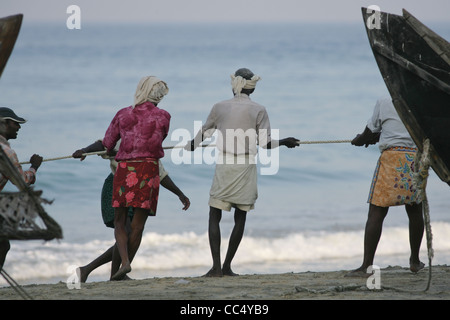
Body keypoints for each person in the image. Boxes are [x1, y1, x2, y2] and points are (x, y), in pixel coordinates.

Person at [185, 68, 300, 277]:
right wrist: (285, 142)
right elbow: (265, 144)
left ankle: (216, 268)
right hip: (246, 166)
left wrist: (191, 145)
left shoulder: (219, 107)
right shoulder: (259, 109)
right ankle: (228, 266)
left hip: (225, 164)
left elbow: (204, 133)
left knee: (214, 214)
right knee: (241, 216)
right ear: (252, 89)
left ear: (233, 86)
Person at [72, 140, 190, 282]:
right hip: (116, 187)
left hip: (136, 191)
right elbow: (102, 144)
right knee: (126, 232)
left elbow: (161, 174)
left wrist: (180, 194)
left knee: (129, 235)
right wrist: (84, 150)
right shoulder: (125, 135)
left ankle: (97, 272)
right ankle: (102, 272)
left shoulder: (150, 146)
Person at [102, 76, 171, 280]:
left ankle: (124, 262)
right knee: (138, 225)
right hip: (149, 170)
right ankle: (126, 266)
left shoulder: (123, 114)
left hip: (125, 169)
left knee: (120, 221)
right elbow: (160, 139)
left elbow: (108, 143)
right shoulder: (164, 116)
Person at [347, 98, 425, 276]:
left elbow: (369, 133)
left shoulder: (384, 102)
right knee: (414, 211)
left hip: (391, 158)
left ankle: (367, 266)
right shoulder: (418, 100)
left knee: (376, 212)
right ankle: (414, 260)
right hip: (414, 158)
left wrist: (360, 140)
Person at [0, 107, 43, 270]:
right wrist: (34, 167)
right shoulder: (6, 152)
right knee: (3, 245)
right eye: (15, 123)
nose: (19, 127)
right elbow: (23, 182)